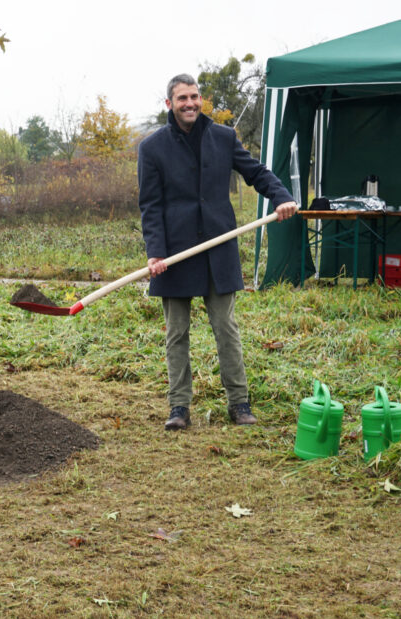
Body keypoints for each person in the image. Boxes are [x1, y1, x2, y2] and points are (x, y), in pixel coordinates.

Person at [138, 74, 298, 431]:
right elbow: (150, 205)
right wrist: (155, 252)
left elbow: (256, 172)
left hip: (218, 247)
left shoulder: (223, 137)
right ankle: (179, 407)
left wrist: (281, 197)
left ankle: (239, 403)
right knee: (176, 333)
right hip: (175, 254)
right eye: (182, 98)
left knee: (226, 328)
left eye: (194, 96)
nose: (190, 103)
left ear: (201, 100)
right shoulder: (152, 148)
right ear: (169, 104)